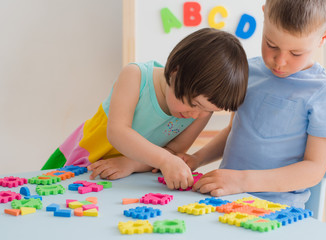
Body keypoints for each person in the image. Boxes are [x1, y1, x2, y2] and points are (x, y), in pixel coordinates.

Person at [181, 0, 326, 208]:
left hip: (277, 208)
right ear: (264, 16)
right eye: (271, 44)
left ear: (324, 37)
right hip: (223, 199)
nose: (280, 61)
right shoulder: (249, 71)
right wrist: (196, 159)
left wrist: (241, 181)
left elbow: (313, 169)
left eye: (296, 53)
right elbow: (233, 130)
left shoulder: (323, 91)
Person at [41, 28, 249, 190]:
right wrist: (165, 159)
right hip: (88, 156)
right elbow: (118, 132)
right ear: (176, 72)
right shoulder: (135, 76)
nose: (196, 115)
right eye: (194, 104)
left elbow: (173, 152)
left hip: (130, 175)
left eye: (207, 110)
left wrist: (131, 164)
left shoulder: (201, 112)